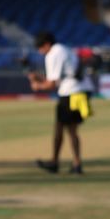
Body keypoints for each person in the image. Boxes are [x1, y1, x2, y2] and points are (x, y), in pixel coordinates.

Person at [27, 30, 86, 173]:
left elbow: (52, 84)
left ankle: (74, 164)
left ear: (47, 45)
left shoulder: (54, 53)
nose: (41, 52)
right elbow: (59, 78)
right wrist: (39, 78)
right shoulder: (63, 49)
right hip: (75, 91)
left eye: (41, 49)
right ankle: (57, 162)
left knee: (70, 129)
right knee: (61, 128)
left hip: (70, 92)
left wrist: (37, 85)